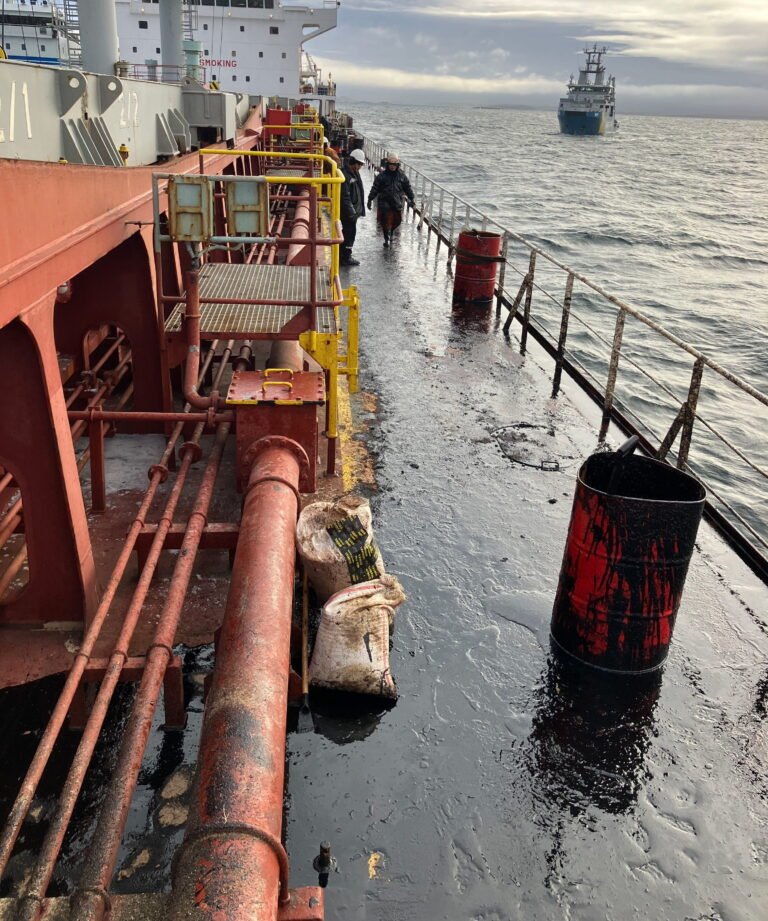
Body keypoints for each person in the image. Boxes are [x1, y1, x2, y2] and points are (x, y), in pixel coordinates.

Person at [367, 154, 415, 246]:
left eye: (394, 165)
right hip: (384, 202)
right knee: (385, 221)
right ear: (387, 164)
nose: (392, 166)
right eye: (390, 164)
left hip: (396, 202)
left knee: (397, 220)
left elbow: (407, 188)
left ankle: (391, 232)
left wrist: (412, 198)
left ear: (397, 165)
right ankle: (386, 238)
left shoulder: (402, 177)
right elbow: (375, 188)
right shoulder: (381, 176)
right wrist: (370, 199)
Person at [340, 148, 366, 266]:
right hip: (348, 213)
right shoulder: (346, 175)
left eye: (361, 165)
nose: (359, 167)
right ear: (353, 162)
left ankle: (344, 254)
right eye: (359, 164)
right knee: (349, 233)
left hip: (352, 211)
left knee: (349, 232)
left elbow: (359, 191)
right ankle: (345, 257)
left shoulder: (354, 173)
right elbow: (345, 196)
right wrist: (352, 213)